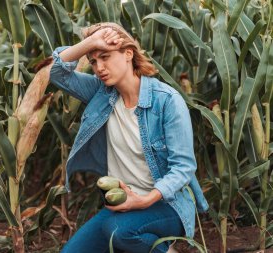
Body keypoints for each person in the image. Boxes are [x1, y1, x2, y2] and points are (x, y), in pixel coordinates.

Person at [49, 22, 208, 253]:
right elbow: (57, 73)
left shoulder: (167, 101)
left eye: (105, 56)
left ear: (128, 54)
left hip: (166, 205)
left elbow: (183, 168)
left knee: (120, 233)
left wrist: (143, 201)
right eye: (93, 61)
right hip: (123, 205)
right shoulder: (101, 94)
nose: (99, 67)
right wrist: (91, 42)